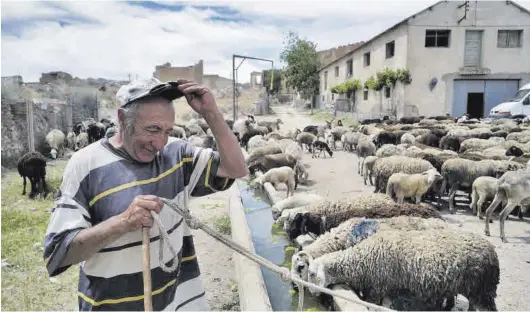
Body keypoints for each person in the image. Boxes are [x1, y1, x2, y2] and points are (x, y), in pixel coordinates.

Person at [43, 77, 248, 311]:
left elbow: (236, 169)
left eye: (167, 131)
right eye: (152, 129)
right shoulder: (84, 165)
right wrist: (122, 223)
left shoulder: (177, 153)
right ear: (122, 119)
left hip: (178, 303)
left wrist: (211, 113)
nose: (160, 143)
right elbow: (57, 254)